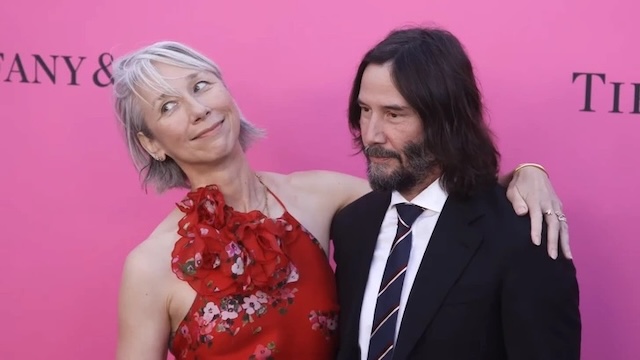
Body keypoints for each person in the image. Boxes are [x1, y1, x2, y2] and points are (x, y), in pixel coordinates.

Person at [111, 40, 572, 360]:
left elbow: (439, 201)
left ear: (226, 90)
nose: (197, 109)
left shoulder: (324, 198)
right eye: (167, 106)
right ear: (152, 143)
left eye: (199, 85)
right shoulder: (150, 266)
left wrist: (526, 174)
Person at [330, 26, 581, 360]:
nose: (372, 134)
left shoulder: (521, 237)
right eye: (364, 110)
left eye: (394, 114)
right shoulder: (353, 225)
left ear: (444, 120)